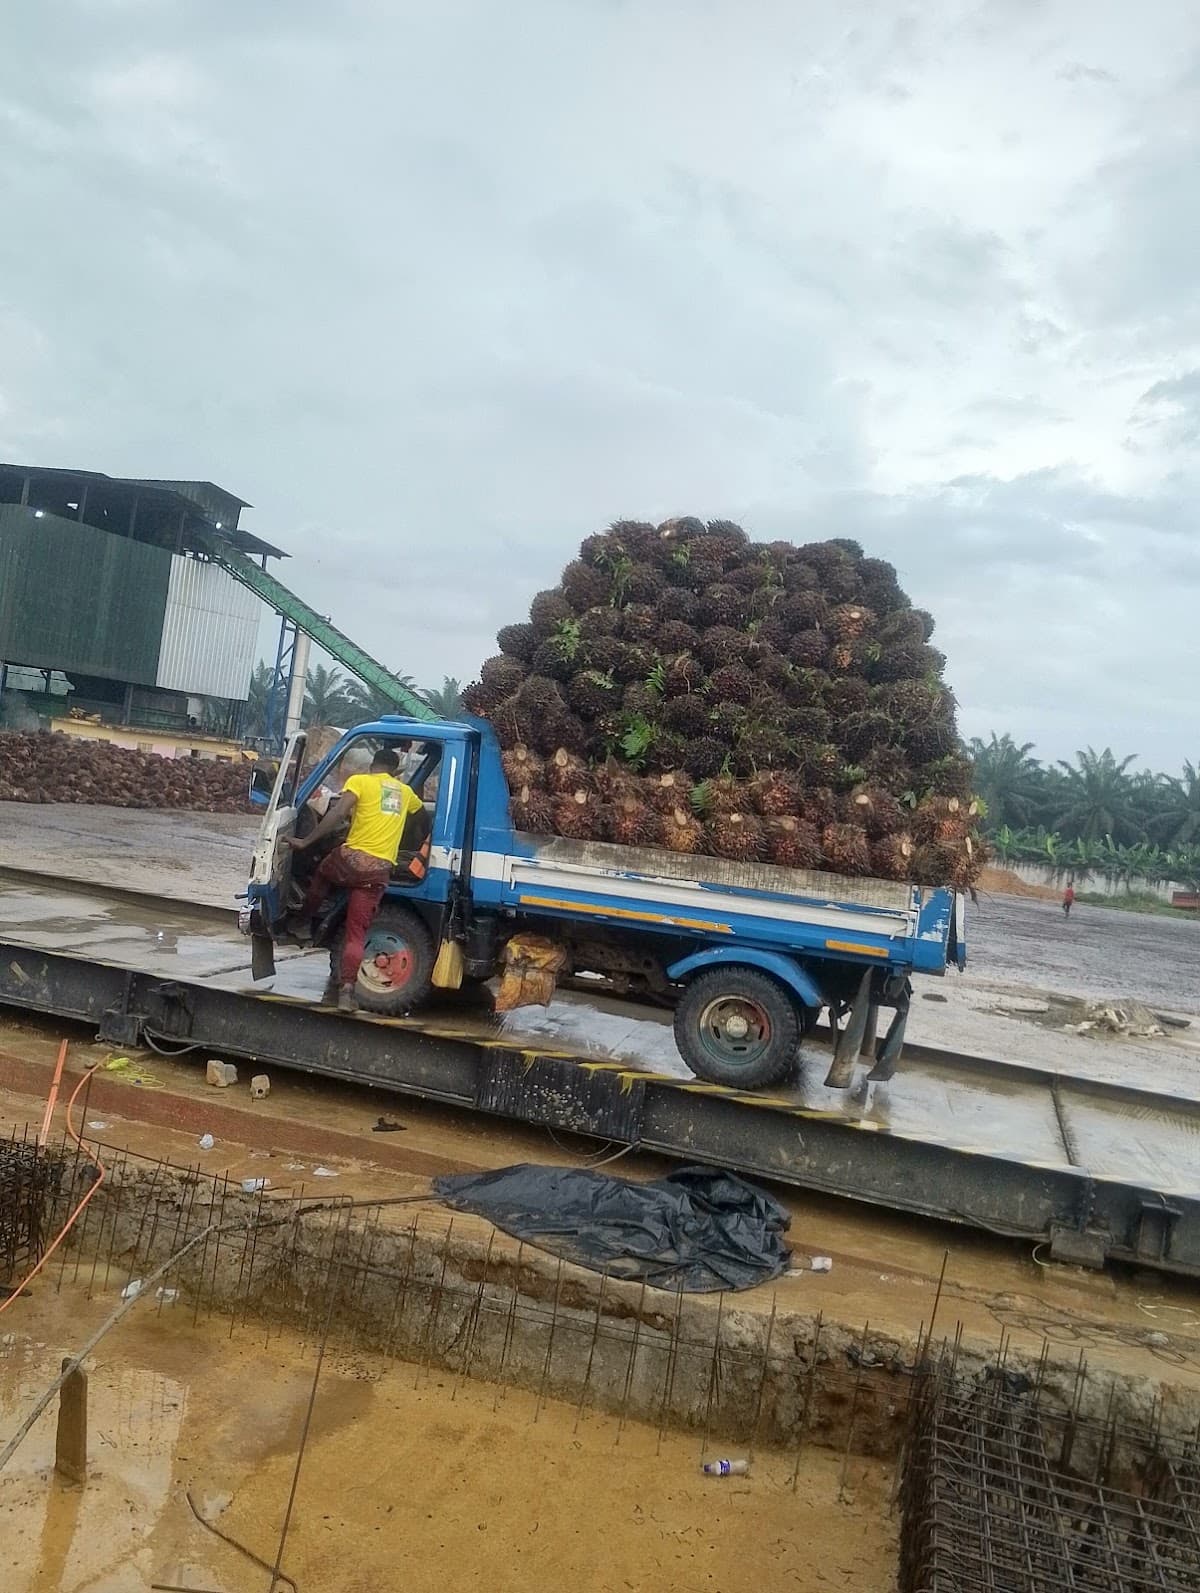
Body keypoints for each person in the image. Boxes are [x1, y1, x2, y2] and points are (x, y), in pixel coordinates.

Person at [288, 747, 423, 1011]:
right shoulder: (405, 792)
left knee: (323, 873)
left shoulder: (360, 781)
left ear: (373, 764)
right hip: (377, 872)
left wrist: (305, 841)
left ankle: (304, 919)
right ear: (395, 771)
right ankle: (347, 992)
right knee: (356, 934)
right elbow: (421, 818)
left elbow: (338, 814)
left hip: (349, 862)